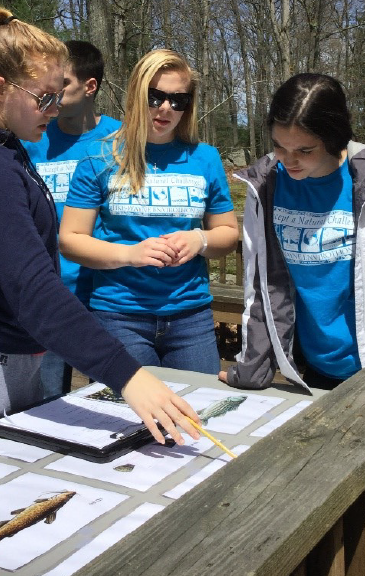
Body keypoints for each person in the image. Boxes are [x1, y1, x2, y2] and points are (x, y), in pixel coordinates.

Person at [0, 9, 199, 452]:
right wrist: (129, 377)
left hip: (7, 351)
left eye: (58, 95)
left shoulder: (5, 150)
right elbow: (32, 289)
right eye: (44, 97)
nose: (55, 108)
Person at [219, 72, 365, 391]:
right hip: (313, 370)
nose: (288, 160)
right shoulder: (265, 187)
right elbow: (261, 286)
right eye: (278, 146)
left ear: (334, 137)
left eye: (305, 150)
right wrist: (254, 365)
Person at [59, 49, 239, 373]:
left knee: (197, 414)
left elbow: (227, 233)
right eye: (154, 97)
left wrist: (200, 240)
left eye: (178, 100)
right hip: (119, 314)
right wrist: (131, 254)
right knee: (130, 420)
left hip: (190, 315)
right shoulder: (99, 155)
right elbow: (71, 239)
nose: (165, 108)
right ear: (136, 95)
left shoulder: (206, 158)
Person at [22, 40, 121, 399]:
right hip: (49, 291)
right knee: (47, 401)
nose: (51, 92)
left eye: (62, 83)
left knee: (112, 398)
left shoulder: (119, 139)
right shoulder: (33, 138)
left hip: (106, 293)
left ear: (89, 86)